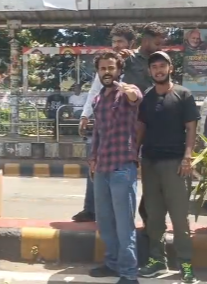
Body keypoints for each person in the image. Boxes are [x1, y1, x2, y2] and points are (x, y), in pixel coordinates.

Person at [74, 23, 165, 224]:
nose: (116, 46)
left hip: (140, 123)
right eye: (114, 42)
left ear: (131, 43)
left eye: (120, 42)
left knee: (141, 169)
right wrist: (85, 115)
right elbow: (95, 91)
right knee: (96, 162)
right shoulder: (107, 64)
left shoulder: (143, 61)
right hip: (112, 125)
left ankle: (145, 217)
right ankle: (91, 209)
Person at [136, 51, 199, 283]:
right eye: (154, 67)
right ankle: (157, 261)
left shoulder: (183, 95)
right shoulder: (147, 97)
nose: (159, 70)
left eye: (162, 66)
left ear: (170, 68)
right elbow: (141, 127)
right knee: (154, 217)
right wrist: (134, 154)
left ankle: (186, 265)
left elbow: (191, 128)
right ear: (150, 71)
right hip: (150, 163)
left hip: (176, 165)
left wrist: (187, 157)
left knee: (180, 219)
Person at [87, 51, 142, 284]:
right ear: (98, 72)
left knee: (124, 224)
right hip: (102, 168)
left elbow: (136, 98)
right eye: (103, 68)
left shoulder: (127, 92)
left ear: (119, 70)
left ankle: (129, 273)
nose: (107, 72)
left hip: (122, 168)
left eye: (111, 68)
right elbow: (97, 132)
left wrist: (130, 92)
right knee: (105, 221)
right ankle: (112, 263)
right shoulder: (98, 99)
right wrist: (92, 158)